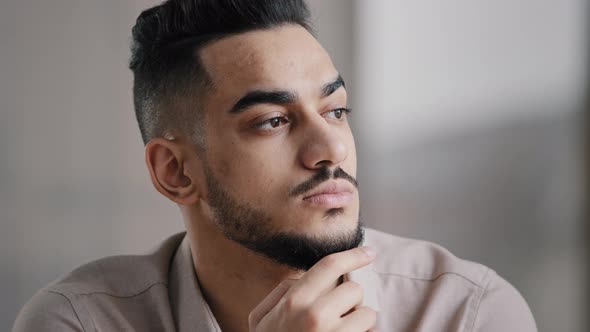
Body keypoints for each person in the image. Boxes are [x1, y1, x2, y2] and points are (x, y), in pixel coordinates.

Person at [13, 0, 538, 331]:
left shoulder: (466, 312)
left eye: (335, 110)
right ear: (176, 172)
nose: (328, 148)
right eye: (272, 121)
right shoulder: (79, 321)